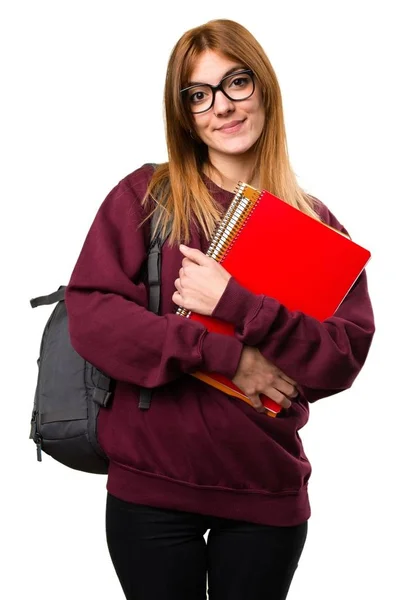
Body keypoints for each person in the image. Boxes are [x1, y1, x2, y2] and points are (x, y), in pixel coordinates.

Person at [65, 18, 375, 600]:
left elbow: (341, 358)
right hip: (151, 489)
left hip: (266, 491)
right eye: (198, 94)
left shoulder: (316, 225)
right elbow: (93, 315)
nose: (222, 107)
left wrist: (236, 303)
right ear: (183, 112)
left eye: (236, 83)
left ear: (263, 88)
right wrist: (232, 358)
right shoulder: (145, 197)